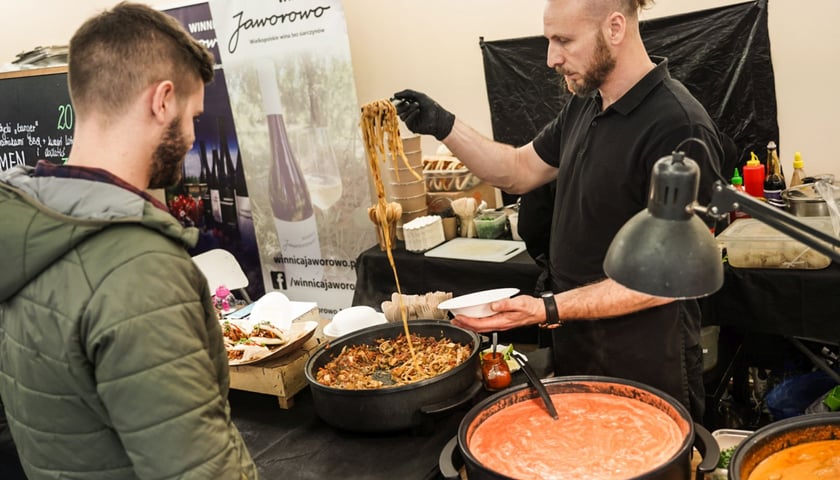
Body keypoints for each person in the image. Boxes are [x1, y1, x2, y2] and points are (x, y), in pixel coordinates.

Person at [394, 0, 724, 420]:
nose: (551, 58)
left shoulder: (678, 126)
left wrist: (549, 308)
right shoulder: (586, 103)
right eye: (550, 41)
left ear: (616, 28)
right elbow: (518, 171)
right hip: (578, 343)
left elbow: (671, 279)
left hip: (643, 360)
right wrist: (444, 125)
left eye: (564, 40)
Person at [0, 3, 258, 479]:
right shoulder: (140, 267)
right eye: (193, 116)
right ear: (162, 100)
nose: (191, 136)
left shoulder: (28, 230)